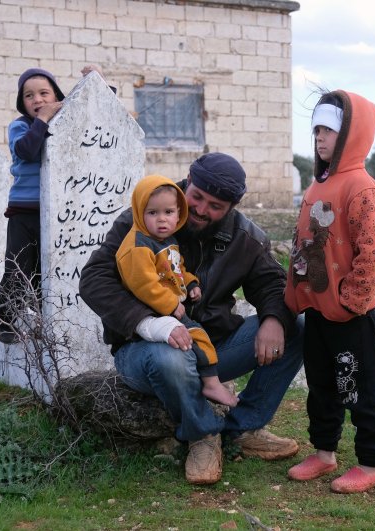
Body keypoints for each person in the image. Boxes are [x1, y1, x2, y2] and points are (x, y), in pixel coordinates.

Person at [80, 152, 304, 485]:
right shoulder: (144, 218)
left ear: (232, 206)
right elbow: (94, 278)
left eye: (215, 206)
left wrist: (274, 318)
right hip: (146, 350)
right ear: (189, 179)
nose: (200, 209)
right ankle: (203, 435)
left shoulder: (248, 238)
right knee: (169, 357)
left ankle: (242, 427)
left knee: (298, 328)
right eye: (196, 196)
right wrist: (151, 324)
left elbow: (273, 286)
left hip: (213, 352)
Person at [284, 90, 375, 494]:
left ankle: (371, 462)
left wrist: (352, 299)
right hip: (316, 309)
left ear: (352, 133)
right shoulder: (318, 184)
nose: (320, 138)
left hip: (348, 313)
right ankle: (324, 451)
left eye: (329, 129)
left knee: (360, 387)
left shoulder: (361, 188)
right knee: (322, 385)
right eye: (316, 130)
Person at [0, 65, 107, 343]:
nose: (37, 100)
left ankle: (41, 319)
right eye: (29, 96)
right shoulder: (21, 127)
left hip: (57, 212)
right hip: (24, 211)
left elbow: (99, 109)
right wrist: (44, 120)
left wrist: (96, 81)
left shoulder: (64, 122)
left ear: (57, 97)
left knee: (43, 270)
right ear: (21, 103)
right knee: (18, 266)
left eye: (43, 93)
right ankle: (0, 315)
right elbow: (27, 150)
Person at [115, 174, 238, 407]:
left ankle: (208, 387)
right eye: (153, 213)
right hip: (157, 312)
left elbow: (176, 268)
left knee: (196, 340)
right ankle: (212, 385)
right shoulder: (138, 246)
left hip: (171, 307)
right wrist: (170, 304)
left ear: (178, 213)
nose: (161, 220)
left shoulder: (165, 239)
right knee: (198, 337)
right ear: (139, 212)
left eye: (168, 213)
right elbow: (144, 285)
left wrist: (190, 283)